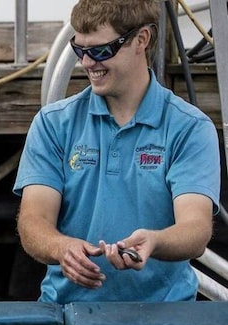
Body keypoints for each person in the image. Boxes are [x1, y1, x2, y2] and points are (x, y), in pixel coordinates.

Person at [12, 0, 221, 304]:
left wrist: (155, 242)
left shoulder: (190, 127)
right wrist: (61, 248)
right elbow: (33, 220)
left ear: (142, 40)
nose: (87, 62)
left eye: (100, 51)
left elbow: (196, 229)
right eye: (79, 50)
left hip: (165, 321)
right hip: (66, 316)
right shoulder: (52, 123)